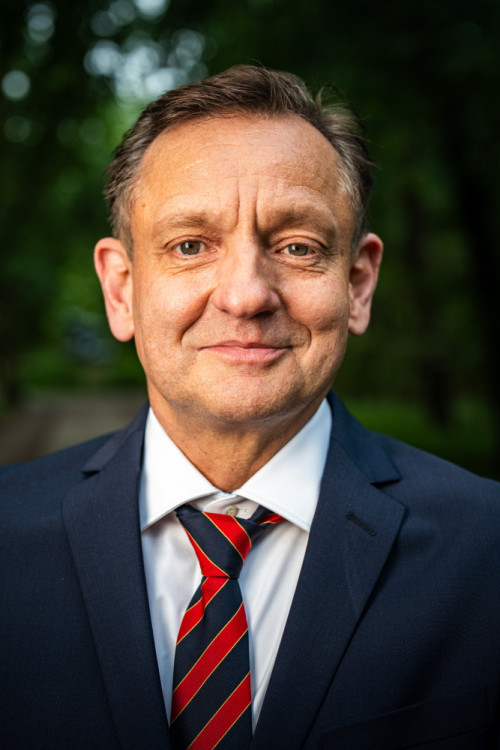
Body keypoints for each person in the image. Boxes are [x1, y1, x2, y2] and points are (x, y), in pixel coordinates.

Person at [1, 65, 499, 750]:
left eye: (297, 247)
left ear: (357, 285)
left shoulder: (488, 551)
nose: (245, 295)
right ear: (121, 290)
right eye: (190, 245)